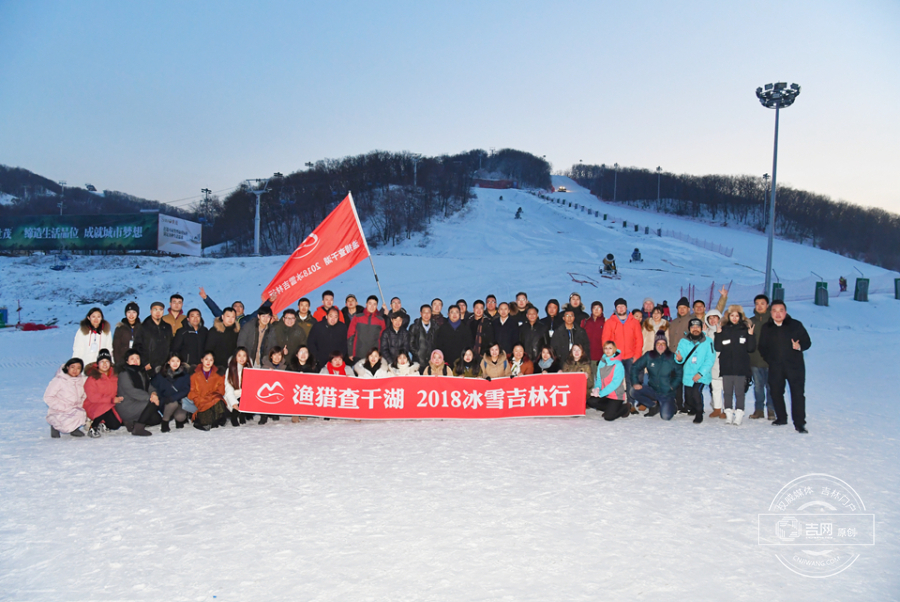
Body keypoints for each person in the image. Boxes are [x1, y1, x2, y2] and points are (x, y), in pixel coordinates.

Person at [758, 300, 811, 433]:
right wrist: (770, 360)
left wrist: (799, 346)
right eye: (775, 311)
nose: (778, 314)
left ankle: (799, 423)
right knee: (776, 392)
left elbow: (807, 342)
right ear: (771, 313)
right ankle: (781, 417)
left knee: (797, 394)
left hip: (795, 367)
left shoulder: (795, 325)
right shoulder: (767, 328)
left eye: (781, 310)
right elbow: (762, 347)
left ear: (785, 312)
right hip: (776, 367)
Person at [714, 305, 757, 426]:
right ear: (728, 316)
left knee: (739, 392)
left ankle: (738, 415)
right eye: (732, 315)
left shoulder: (745, 329)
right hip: (726, 366)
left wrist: (751, 335)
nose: (734, 318)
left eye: (737, 315)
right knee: (727, 392)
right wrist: (718, 334)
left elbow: (751, 348)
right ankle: (728, 414)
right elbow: (717, 347)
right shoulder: (724, 329)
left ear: (740, 316)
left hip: (741, 366)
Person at [630, 335, 682, 420]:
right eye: (658, 343)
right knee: (633, 391)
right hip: (653, 390)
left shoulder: (672, 357)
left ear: (666, 345)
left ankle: (672, 405)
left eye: (663, 343)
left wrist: (672, 386)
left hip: (666, 392)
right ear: (655, 345)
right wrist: (635, 382)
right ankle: (653, 405)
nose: (660, 346)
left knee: (666, 417)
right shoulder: (649, 355)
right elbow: (635, 367)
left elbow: (679, 374)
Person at [675, 318, 716, 424]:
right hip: (688, 373)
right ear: (689, 329)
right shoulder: (684, 341)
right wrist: (679, 359)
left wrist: (700, 373)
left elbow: (710, 359)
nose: (695, 329)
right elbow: (680, 355)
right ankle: (693, 408)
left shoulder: (708, 341)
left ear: (701, 328)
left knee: (696, 392)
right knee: (688, 395)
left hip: (702, 374)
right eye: (693, 327)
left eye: (697, 327)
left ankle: (699, 412)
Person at [116, 349, 162, 436]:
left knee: (156, 419)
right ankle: (138, 428)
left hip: (139, 402)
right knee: (152, 404)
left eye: (137, 358)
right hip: (127, 404)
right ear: (127, 361)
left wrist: (154, 394)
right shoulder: (124, 373)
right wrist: (150, 398)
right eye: (132, 358)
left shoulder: (141, 372)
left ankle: (131, 423)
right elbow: (132, 391)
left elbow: (150, 386)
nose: (135, 361)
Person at [45, 357, 88, 438]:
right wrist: (61, 406)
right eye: (72, 367)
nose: (75, 370)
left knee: (82, 415)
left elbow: (84, 395)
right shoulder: (59, 380)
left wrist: (80, 404)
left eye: (78, 368)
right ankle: (55, 426)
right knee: (64, 426)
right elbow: (48, 397)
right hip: (60, 409)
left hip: (75, 408)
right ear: (67, 367)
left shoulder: (82, 380)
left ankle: (74, 429)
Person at [748, 294, 775, 420]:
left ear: (767, 305)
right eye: (757, 303)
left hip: (772, 361)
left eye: (762, 303)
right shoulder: (750, 321)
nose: (759, 306)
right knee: (758, 387)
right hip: (755, 360)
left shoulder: (773, 320)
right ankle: (759, 410)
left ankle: (771, 410)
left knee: (771, 386)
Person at [83, 349, 122, 436]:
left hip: (110, 405)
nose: (105, 364)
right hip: (94, 405)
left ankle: (102, 423)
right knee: (103, 408)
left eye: (107, 361)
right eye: (102, 361)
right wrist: (111, 400)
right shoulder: (92, 378)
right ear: (97, 364)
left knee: (115, 425)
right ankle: (93, 427)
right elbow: (92, 397)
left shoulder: (115, 376)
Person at [150, 352, 192, 432]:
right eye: (173, 361)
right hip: (165, 402)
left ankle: (177, 419)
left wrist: (174, 397)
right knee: (172, 403)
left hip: (179, 401)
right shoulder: (161, 374)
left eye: (177, 361)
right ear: (168, 362)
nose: (175, 363)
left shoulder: (185, 375)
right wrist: (157, 396)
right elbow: (154, 386)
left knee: (180, 417)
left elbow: (186, 390)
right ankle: (165, 422)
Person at [587, 341, 629, 420]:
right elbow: (599, 378)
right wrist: (597, 389)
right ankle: (610, 409)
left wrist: (601, 393)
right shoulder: (602, 362)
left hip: (615, 396)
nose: (608, 350)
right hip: (605, 395)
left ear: (614, 350)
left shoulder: (618, 364)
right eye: (606, 348)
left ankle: (624, 408)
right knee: (591, 401)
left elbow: (615, 384)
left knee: (608, 417)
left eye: (610, 348)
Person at [188, 351, 227, 431]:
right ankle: (202, 418)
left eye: (211, 360)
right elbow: (192, 392)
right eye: (206, 359)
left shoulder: (218, 374)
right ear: (202, 360)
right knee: (207, 423)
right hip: (200, 402)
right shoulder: (195, 374)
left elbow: (221, 391)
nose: (208, 362)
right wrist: (200, 401)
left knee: (219, 403)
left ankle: (215, 419)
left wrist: (209, 398)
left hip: (213, 400)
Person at [199, 287, 274, 327]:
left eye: (240, 306)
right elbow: (215, 310)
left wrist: (269, 301)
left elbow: (258, 312)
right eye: (235, 306)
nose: (237, 308)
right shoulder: (226, 319)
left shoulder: (247, 319)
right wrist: (206, 298)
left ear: (243, 310)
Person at [347, 295, 387, 362]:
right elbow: (350, 336)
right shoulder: (357, 318)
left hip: (374, 356)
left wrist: (380, 354)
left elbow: (383, 339)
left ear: (377, 306)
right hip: (358, 354)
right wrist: (350, 353)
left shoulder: (380, 320)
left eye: (374, 304)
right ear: (366, 304)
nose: (372, 306)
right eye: (370, 303)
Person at [205, 306, 240, 374]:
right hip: (216, 367)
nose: (230, 319)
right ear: (222, 317)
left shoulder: (236, 331)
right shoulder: (214, 331)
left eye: (233, 317)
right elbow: (208, 349)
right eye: (228, 316)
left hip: (231, 367)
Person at [704, 309, 725, 418]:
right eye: (710, 318)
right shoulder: (707, 332)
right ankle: (717, 408)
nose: (712, 320)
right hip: (712, 364)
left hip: (724, 362)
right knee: (715, 387)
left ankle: (727, 409)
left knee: (726, 388)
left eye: (715, 317)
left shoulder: (724, 330)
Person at [141, 302, 172, 374]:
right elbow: (138, 346)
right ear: (150, 311)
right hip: (149, 366)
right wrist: (145, 362)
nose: (158, 312)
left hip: (164, 366)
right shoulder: (143, 327)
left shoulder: (167, 327)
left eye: (160, 309)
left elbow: (171, 344)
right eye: (155, 309)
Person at [225, 347, 251, 425]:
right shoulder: (230, 370)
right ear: (235, 357)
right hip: (233, 395)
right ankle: (234, 415)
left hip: (244, 396)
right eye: (239, 355)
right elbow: (228, 388)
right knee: (239, 400)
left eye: (244, 355)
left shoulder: (249, 368)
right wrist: (233, 403)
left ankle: (242, 414)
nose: (242, 358)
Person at [112, 302, 143, 367]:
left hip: (138, 362)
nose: (131, 315)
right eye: (129, 312)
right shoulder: (120, 328)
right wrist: (118, 363)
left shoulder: (142, 328)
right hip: (123, 362)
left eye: (134, 312)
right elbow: (116, 347)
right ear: (125, 313)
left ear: (137, 314)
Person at [582, 301, 606, 371]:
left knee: (602, 380)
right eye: (594, 308)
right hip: (588, 357)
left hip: (602, 357)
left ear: (602, 310)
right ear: (591, 310)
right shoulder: (585, 322)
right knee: (590, 380)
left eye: (598, 308)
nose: (596, 310)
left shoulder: (606, 322)